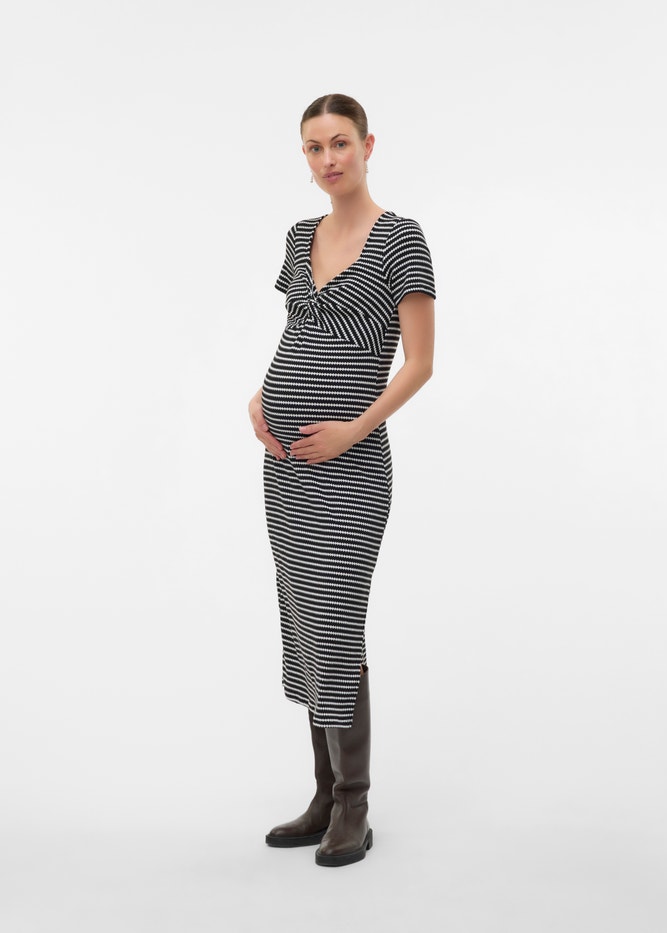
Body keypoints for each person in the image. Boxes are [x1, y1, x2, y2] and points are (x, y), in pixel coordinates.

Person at [248, 93, 435, 867]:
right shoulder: (301, 236)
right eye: (314, 147)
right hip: (287, 467)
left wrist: (356, 427)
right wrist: (261, 397)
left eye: (340, 143)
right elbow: (297, 329)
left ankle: (354, 805)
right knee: (303, 622)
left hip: (352, 468)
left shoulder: (401, 238)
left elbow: (420, 363)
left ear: (367, 145)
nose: (328, 159)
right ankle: (324, 795)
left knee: (335, 621)